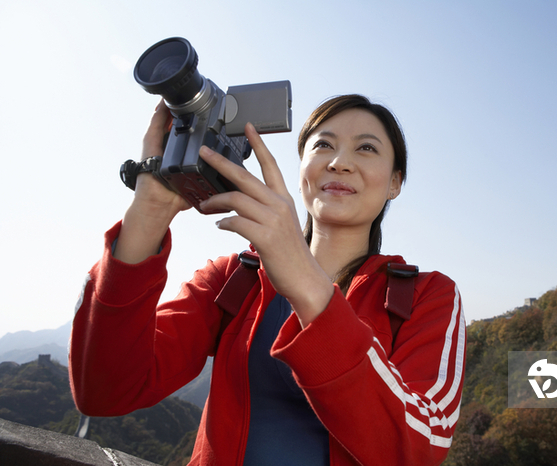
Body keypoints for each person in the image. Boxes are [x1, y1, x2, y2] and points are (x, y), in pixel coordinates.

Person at [69, 94, 466, 466]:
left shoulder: (426, 295)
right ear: (302, 172)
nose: (340, 162)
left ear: (395, 182)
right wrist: (149, 211)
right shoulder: (234, 277)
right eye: (323, 145)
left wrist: (307, 286)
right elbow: (104, 389)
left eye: (366, 148)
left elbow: (420, 443)